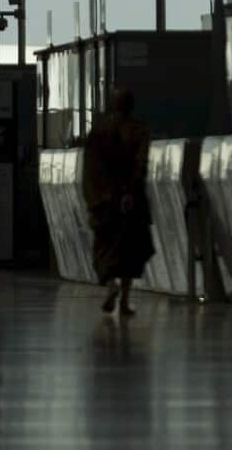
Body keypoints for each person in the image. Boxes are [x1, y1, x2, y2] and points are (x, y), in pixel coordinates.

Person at [81, 86, 155, 316]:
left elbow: (91, 169)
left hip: (105, 202)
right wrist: (130, 193)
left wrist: (97, 198)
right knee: (130, 252)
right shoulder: (140, 131)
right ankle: (124, 300)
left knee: (105, 248)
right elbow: (140, 165)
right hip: (132, 201)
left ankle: (110, 285)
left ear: (112, 105)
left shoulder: (98, 132)